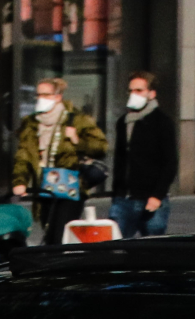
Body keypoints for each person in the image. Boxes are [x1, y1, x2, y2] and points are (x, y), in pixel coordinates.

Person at [12, 78, 106, 247]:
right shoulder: (31, 123)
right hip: (44, 187)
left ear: (57, 97)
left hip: (70, 186)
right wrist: (20, 181)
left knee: (60, 234)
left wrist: (77, 140)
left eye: (46, 94)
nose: (41, 98)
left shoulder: (76, 120)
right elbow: (24, 155)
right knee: (48, 233)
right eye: (38, 95)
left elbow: (100, 147)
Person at [110, 72, 177, 239]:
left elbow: (170, 162)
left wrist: (157, 196)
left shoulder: (162, 122)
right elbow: (120, 159)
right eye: (131, 90)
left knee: (153, 251)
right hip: (123, 199)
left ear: (151, 93)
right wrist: (117, 192)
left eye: (139, 90)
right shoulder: (124, 122)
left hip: (151, 198)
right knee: (115, 249)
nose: (134, 94)